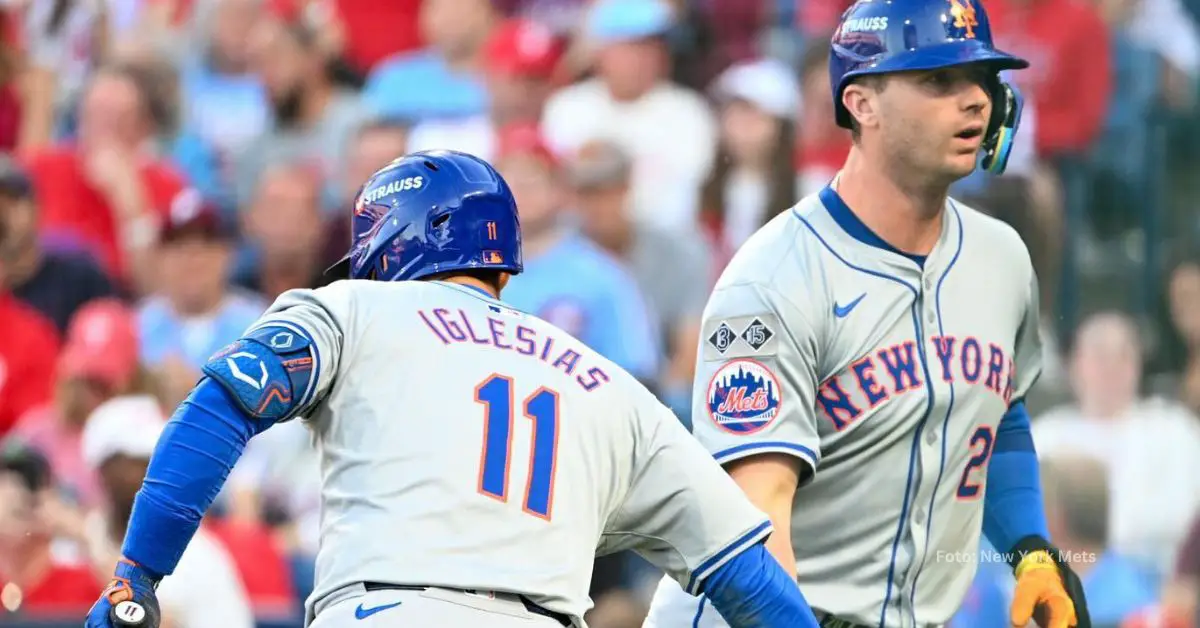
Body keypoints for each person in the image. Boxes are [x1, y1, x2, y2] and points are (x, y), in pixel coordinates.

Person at [84, 150, 821, 628]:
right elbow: (746, 574)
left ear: (388, 246)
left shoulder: (356, 307)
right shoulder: (610, 383)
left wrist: (136, 576)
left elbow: (220, 406)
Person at [644, 0, 1094, 626]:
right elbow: (752, 537)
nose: (975, 101)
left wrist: (1030, 551)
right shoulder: (774, 281)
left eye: (983, 79)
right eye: (939, 80)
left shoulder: (1003, 259)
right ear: (862, 103)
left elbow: (998, 412)